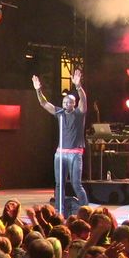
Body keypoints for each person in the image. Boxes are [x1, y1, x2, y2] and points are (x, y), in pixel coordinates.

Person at [32, 69, 88, 216]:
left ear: (74, 104)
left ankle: (85, 210)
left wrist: (78, 86)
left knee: (76, 184)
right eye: (64, 102)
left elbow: (83, 99)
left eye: (69, 102)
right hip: (60, 153)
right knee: (59, 184)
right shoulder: (59, 113)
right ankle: (59, 211)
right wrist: (38, 90)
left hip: (75, 153)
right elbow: (44, 103)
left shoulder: (79, 113)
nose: (66, 104)